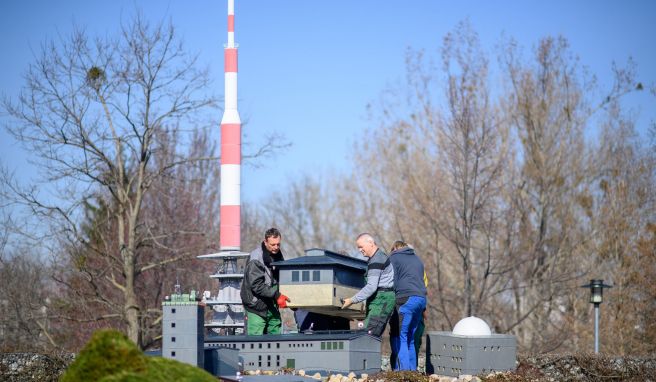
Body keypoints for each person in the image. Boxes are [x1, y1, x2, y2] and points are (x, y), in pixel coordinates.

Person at [341, 233, 395, 338]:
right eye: (358, 248)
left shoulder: (377, 260)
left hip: (382, 301)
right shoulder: (376, 258)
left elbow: (371, 287)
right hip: (378, 300)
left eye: (361, 246)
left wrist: (352, 300)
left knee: (368, 336)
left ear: (370, 243)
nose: (359, 250)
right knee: (368, 335)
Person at [240, 228, 291, 335]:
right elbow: (256, 285)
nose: (276, 247)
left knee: (276, 336)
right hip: (256, 306)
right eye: (273, 245)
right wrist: (277, 295)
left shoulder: (278, 257)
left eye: (278, 244)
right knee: (255, 341)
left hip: (272, 304)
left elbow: (281, 280)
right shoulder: (256, 258)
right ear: (265, 242)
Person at [388, 240, 427, 371]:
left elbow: (391, 280)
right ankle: (412, 372)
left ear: (394, 249)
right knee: (410, 338)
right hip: (421, 300)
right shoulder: (418, 259)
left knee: (401, 337)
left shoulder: (394, 257)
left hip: (406, 299)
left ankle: (402, 373)